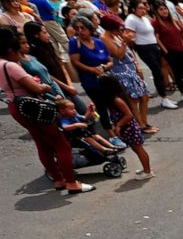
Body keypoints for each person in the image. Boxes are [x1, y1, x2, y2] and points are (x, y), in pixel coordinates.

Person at [0, 27, 93, 194]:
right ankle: (72, 182)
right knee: (61, 144)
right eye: (16, 49)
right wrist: (44, 86)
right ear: (9, 49)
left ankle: (58, 179)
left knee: (42, 143)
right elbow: (36, 87)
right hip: (34, 106)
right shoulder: (11, 66)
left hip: (16, 106)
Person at [97, 73, 155, 180]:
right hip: (126, 128)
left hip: (129, 128)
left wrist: (118, 125)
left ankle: (148, 171)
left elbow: (129, 115)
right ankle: (145, 167)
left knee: (139, 149)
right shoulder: (112, 99)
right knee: (135, 148)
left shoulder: (117, 100)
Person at [19, 25, 85, 113]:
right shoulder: (34, 53)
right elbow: (46, 74)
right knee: (71, 115)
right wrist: (66, 87)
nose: (48, 35)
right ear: (36, 35)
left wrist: (70, 85)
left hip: (65, 86)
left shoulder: (49, 45)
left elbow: (61, 65)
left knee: (83, 112)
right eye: (44, 33)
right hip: (55, 89)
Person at [126, 0, 177, 109]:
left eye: (144, 8)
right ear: (134, 9)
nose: (143, 10)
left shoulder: (144, 18)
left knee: (161, 70)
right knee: (157, 72)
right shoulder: (131, 19)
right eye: (140, 8)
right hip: (144, 48)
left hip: (153, 46)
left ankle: (165, 97)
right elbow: (129, 35)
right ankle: (164, 98)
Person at [68, 16, 113, 128]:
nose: (79, 31)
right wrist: (92, 70)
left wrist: (104, 67)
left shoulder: (98, 42)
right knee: (101, 105)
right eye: (76, 28)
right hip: (90, 80)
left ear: (89, 28)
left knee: (113, 103)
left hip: (106, 78)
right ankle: (110, 132)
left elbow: (111, 60)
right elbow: (76, 62)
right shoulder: (74, 43)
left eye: (82, 28)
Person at [56, 98, 121, 154]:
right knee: (89, 139)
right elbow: (65, 127)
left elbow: (85, 118)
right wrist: (76, 125)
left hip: (84, 133)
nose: (74, 110)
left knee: (96, 136)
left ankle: (112, 146)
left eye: (74, 108)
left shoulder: (75, 115)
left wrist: (89, 110)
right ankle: (104, 149)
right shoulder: (64, 120)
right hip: (77, 137)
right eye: (71, 109)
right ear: (63, 111)